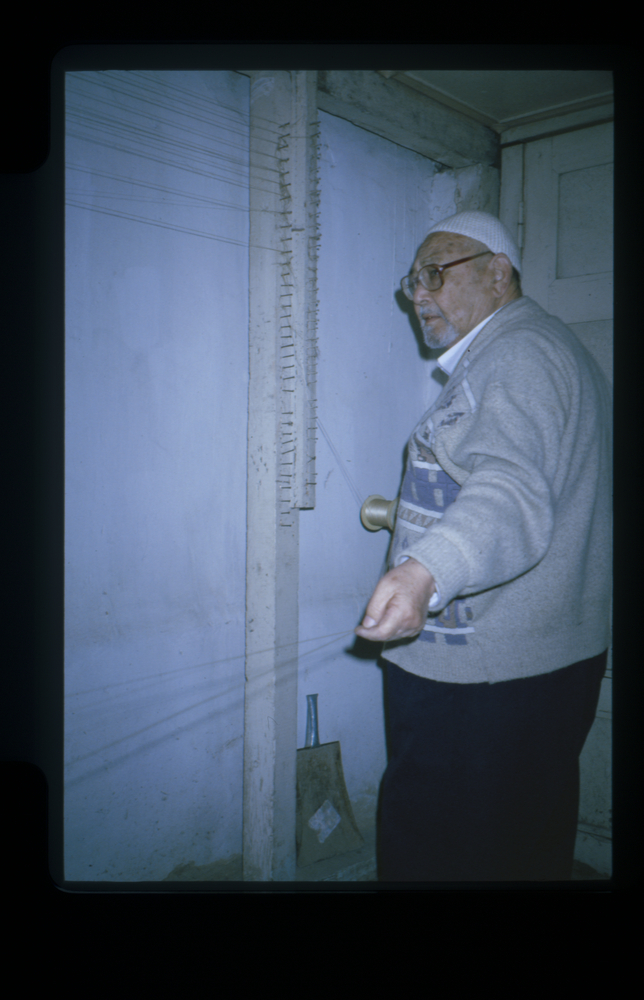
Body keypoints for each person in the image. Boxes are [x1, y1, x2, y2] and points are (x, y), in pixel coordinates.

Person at [355, 211, 612, 882]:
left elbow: (512, 490)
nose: (419, 294)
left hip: (487, 684)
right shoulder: (544, 349)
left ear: (499, 273)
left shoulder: (517, 356)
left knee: (440, 856)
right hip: (532, 668)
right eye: (413, 280)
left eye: (436, 273)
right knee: (522, 850)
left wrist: (425, 571)